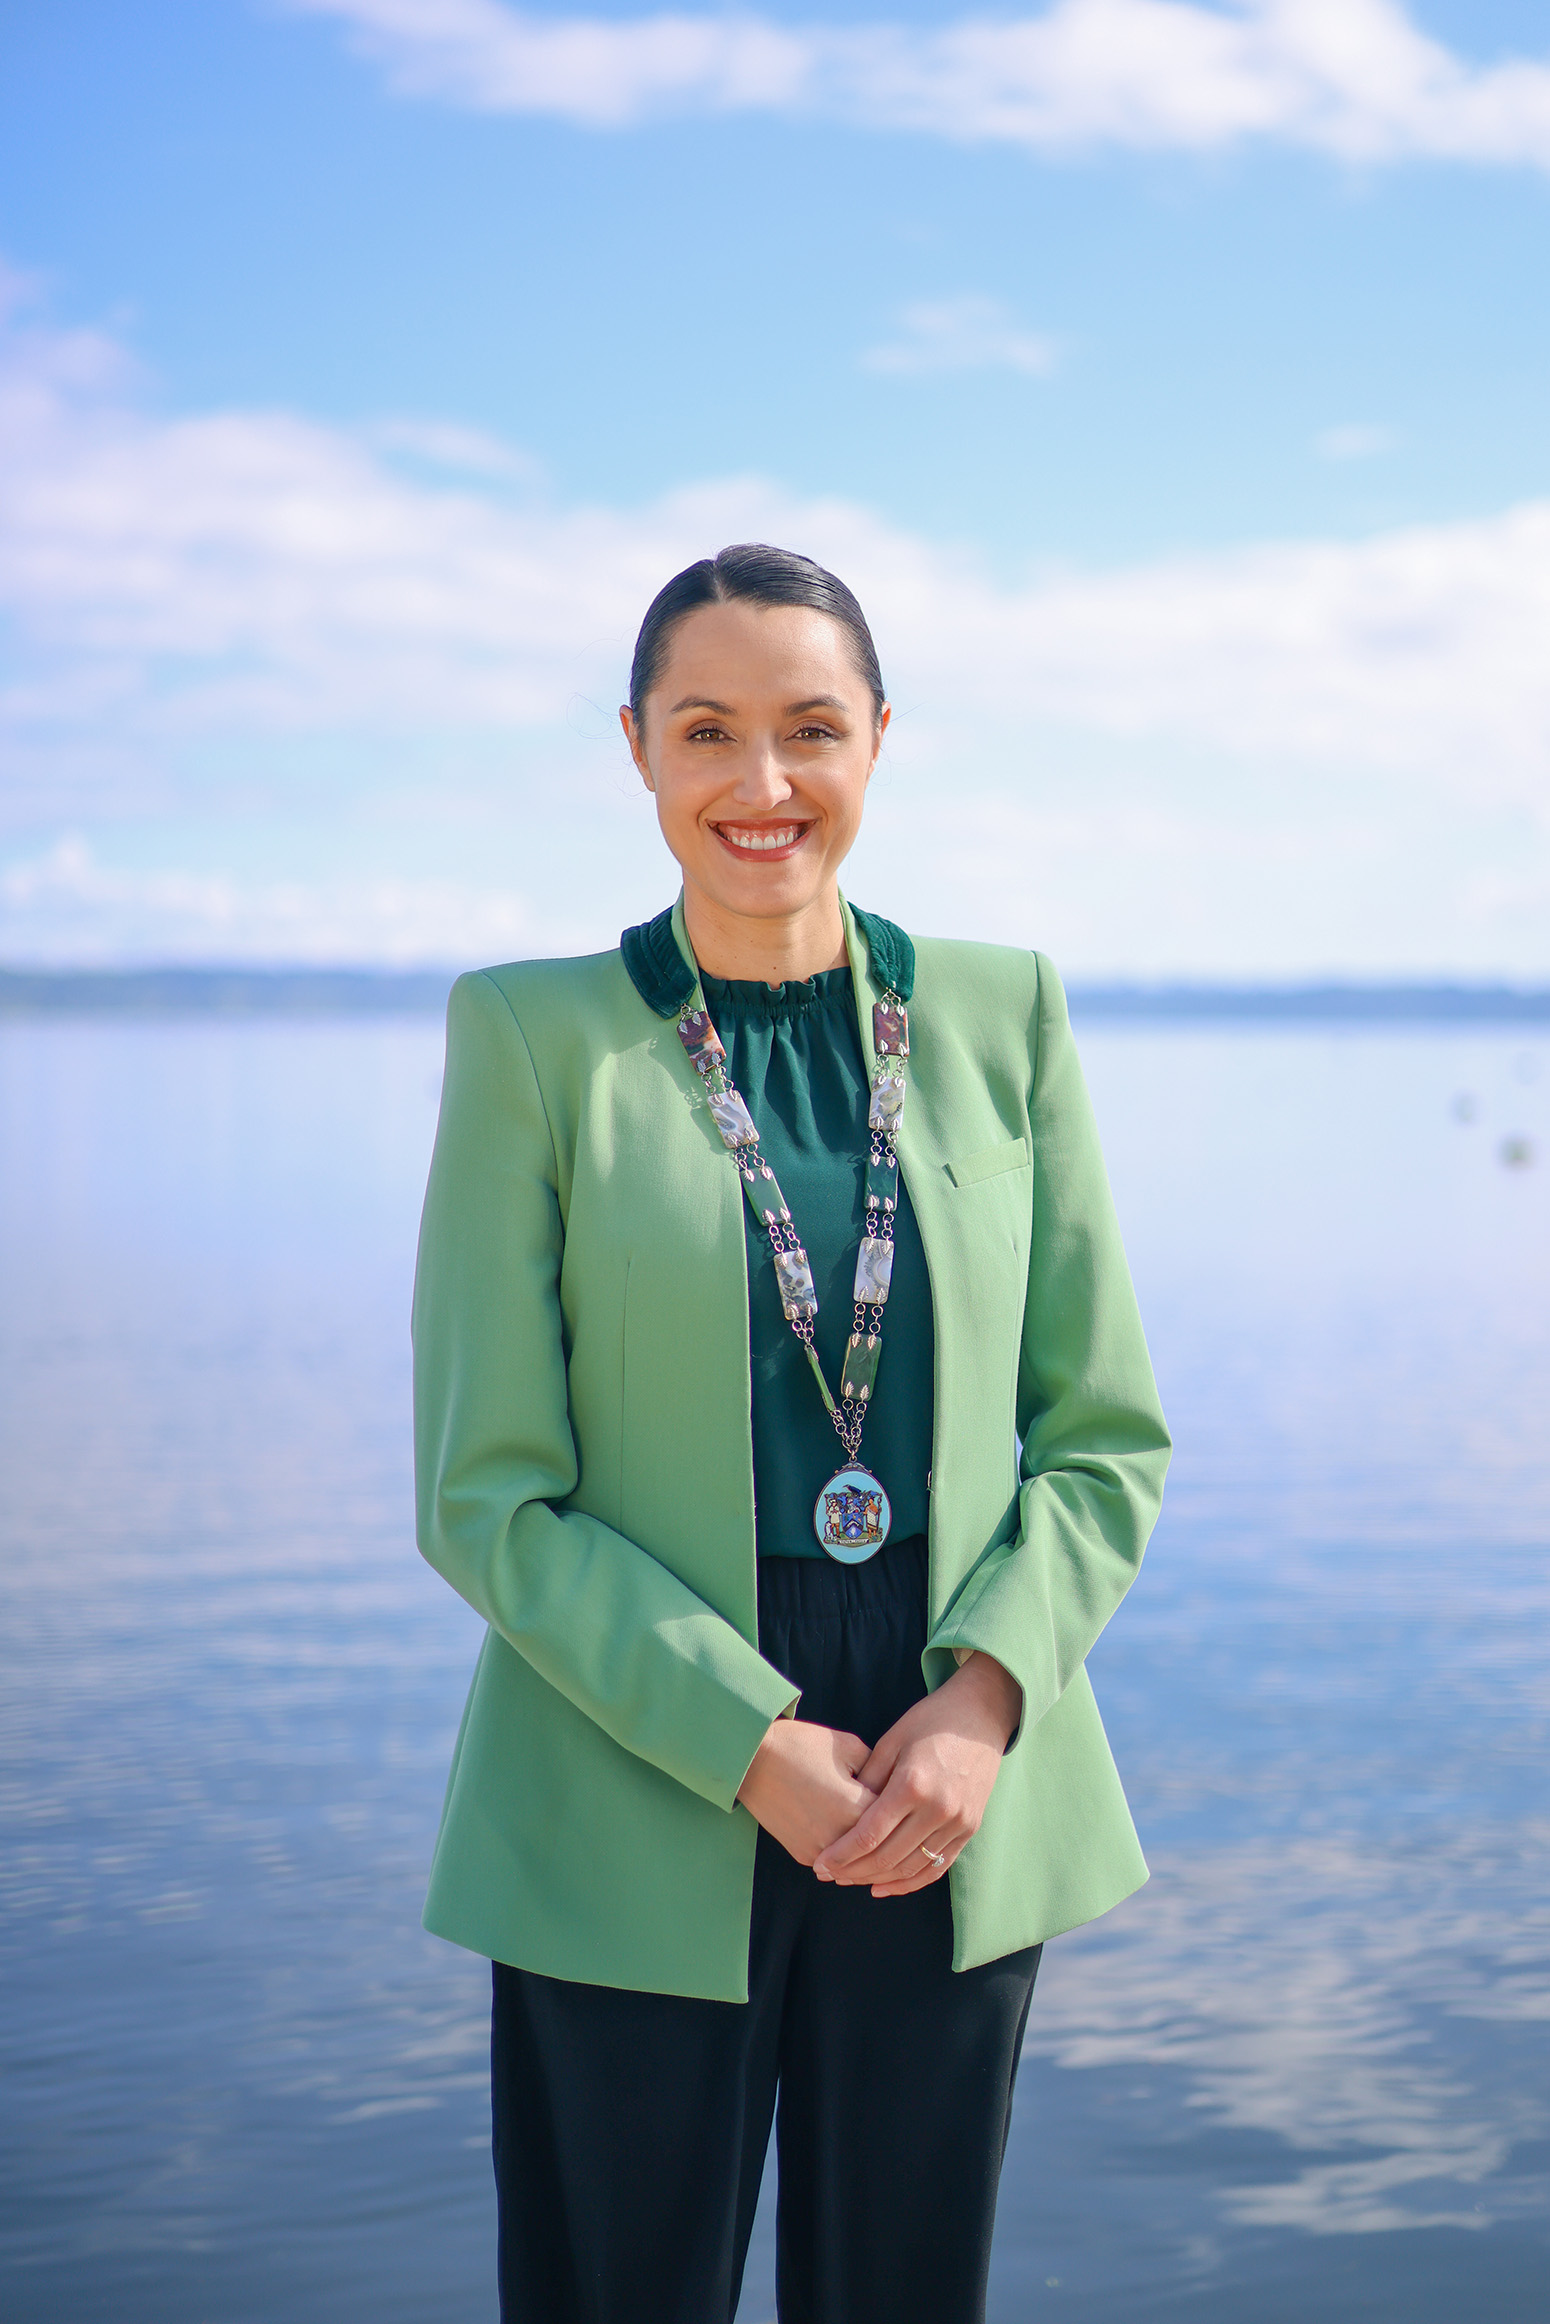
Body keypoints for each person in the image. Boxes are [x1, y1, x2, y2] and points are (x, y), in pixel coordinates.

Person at [411, 543, 1170, 2324]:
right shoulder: (532, 1036)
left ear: (879, 741)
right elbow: (487, 1497)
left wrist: (986, 1700)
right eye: (706, 732)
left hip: (948, 1760)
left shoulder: (1003, 1014)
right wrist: (747, 1742)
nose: (761, 786)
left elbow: (1103, 1435)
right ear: (638, 752)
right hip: (632, 1740)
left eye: (809, 728)